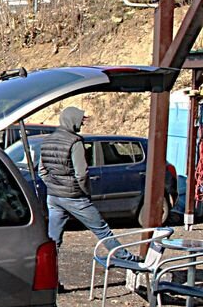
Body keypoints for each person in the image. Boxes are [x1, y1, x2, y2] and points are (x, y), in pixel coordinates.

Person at [37, 106, 140, 291]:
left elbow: (42, 171)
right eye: (81, 120)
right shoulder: (75, 142)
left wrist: (53, 186)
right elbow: (82, 173)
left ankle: (50, 282)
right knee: (102, 230)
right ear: (73, 120)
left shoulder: (47, 140)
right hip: (75, 196)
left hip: (54, 197)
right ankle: (128, 261)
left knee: (53, 241)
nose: (82, 123)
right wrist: (85, 192)